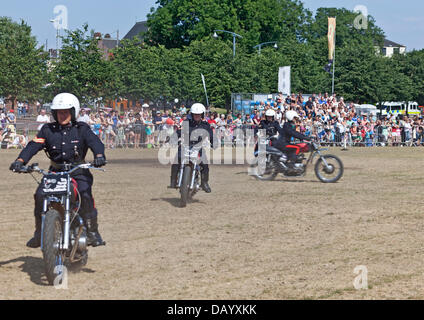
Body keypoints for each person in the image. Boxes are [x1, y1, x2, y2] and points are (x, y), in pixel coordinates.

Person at [9, 93, 107, 248]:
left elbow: (95, 142)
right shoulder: (48, 130)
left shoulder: (82, 129)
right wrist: (20, 161)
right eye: (58, 112)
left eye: (65, 111)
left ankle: (92, 231)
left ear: (73, 112)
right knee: (40, 195)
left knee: (85, 194)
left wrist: (99, 155)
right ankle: (40, 233)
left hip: (78, 171)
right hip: (55, 172)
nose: (62, 115)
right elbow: (33, 145)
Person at [169, 103, 214, 193]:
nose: (197, 116)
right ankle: (173, 181)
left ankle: (204, 183)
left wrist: (214, 142)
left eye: (199, 114)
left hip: (198, 147)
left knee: (204, 164)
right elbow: (179, 132)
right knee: (176, 160)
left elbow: (210, 134)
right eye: (195, 114)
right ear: (192, 114)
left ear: (202, 114)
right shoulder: (186, 123)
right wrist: (172, 138)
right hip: (185, 145)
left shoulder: (205, 125)